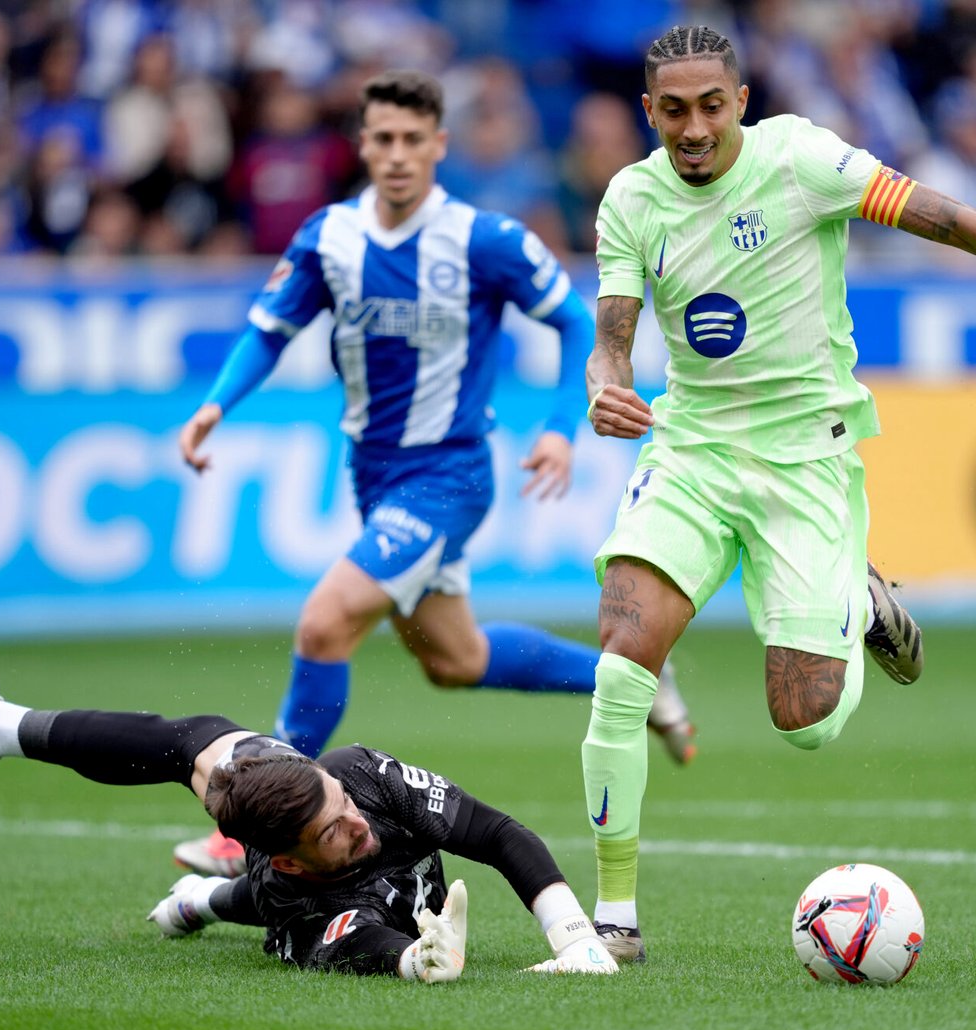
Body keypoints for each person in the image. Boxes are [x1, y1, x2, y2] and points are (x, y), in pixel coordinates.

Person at [579, 25, 976, 964]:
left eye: (712, 105)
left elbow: (952, 221)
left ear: (741, 100)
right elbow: (615, 334)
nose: (695, 126)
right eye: (675, 109)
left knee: (805, 725)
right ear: (649, 112)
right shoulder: (630, 198)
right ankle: (614, 924)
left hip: (804, 462)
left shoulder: (805, 160)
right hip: (694, 454)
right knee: (621, 667)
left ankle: (858, 599)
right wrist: (605, 380)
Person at [173, 71, 698, 878]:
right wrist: (215, 407)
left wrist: (562, 429)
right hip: (374, 479)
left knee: (324, 623)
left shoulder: (484, 238)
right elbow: (269, 331)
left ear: (438, 146)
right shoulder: (329, 238)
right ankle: (631, 676)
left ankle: (249, 833)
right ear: (362, 145)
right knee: (456, 659)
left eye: (413, 140)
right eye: (382, 139)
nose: (396, 155)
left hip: (450, 478)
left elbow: (569, 319)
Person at [0, 635, 618, 979]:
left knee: (198, 741)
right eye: (334, 829)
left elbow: (494, 833)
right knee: (246, 888)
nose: (356, 820)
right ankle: (202, 899)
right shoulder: (297, 903)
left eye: (342, 803)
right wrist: (419, 960)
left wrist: (574, 939)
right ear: (291, 853)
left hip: (285, 846)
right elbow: (367, 944)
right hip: (292, 896)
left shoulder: (359, 778)